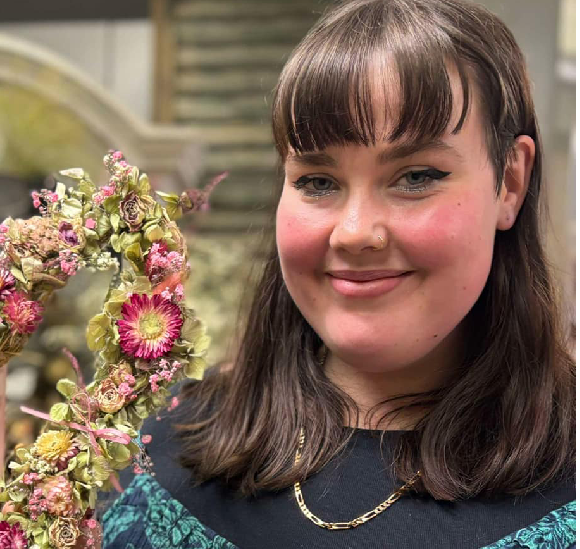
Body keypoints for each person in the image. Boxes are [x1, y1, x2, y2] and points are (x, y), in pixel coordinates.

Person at [100, 0, 576, 547]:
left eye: (417, 176)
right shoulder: (157, 448)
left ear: (510, 182)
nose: (353, 232)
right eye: (318, 182)